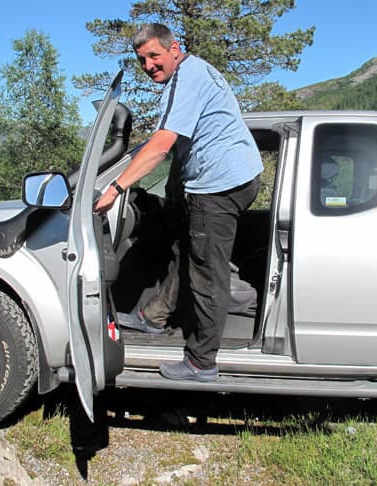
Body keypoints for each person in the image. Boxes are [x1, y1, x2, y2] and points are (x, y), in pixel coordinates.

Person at [93, 23, 262, 382]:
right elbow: (186, 142)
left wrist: (115, 187)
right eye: (142, 60)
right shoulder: (196, 70)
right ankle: (153, 317)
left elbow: (161, 145)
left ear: (174, 49)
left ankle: (201, 363)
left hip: (218, 187)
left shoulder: (187, 78)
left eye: (154, 55)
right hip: (235, 177)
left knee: (207, 277)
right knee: (187, 247)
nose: (149, 65)